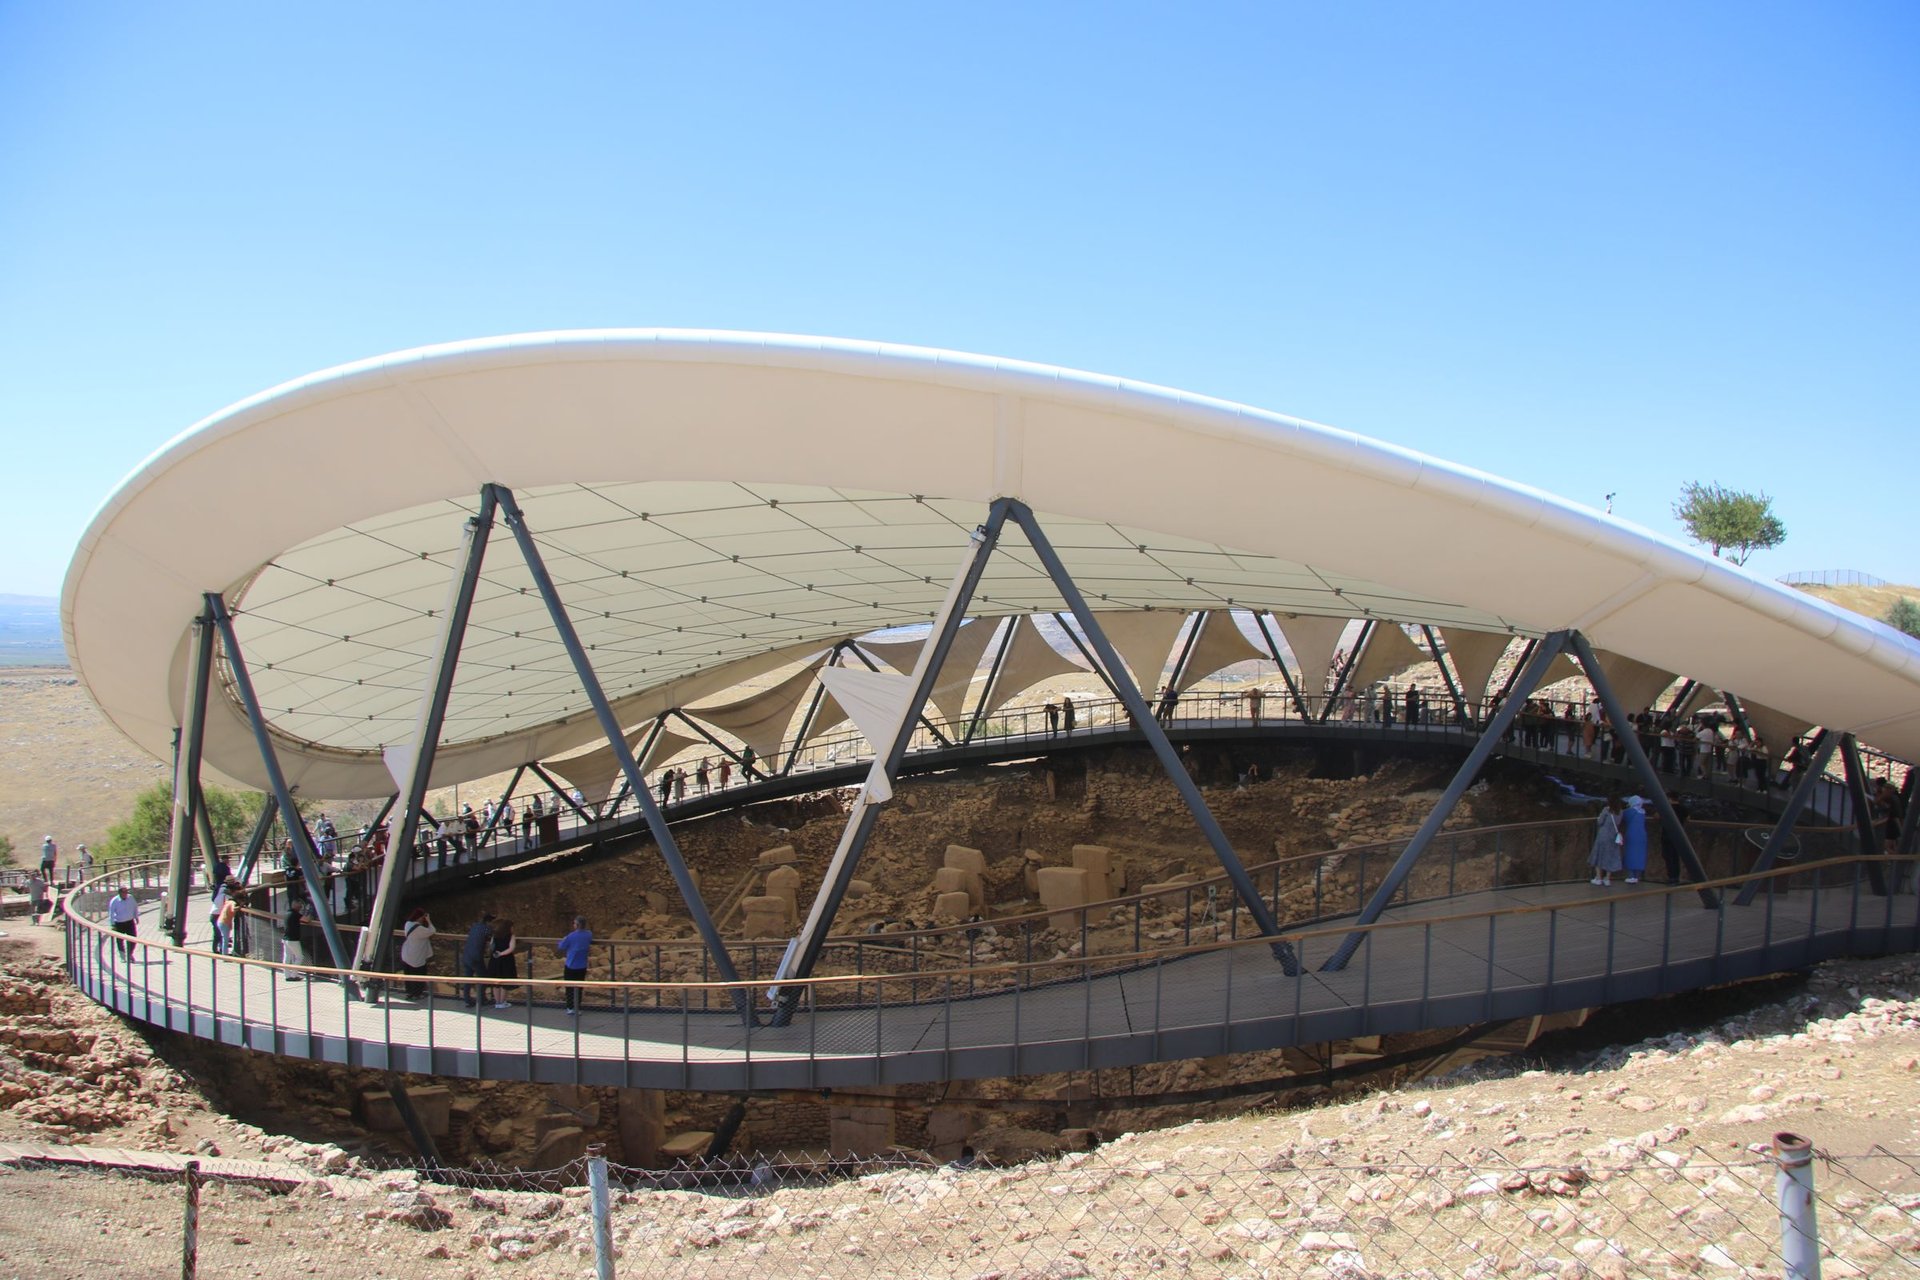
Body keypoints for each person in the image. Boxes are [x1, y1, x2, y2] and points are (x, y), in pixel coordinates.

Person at [555, 915, 593, 1014]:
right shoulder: (588, 934)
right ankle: (577, 1007)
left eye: (574, 923)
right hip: (582, 965)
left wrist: (563, 939)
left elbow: (561, 946)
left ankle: (570, 1007)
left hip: (571, 965)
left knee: (569, 987)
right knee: (579, 987)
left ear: (577, 925)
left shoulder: (571, 936)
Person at [457, 909, 495, 1006]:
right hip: (476, 956)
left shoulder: (475, 926)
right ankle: (482, 999)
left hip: (467, 955)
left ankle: (467, 999)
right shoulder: (487, 928)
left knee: (468, 978)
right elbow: (491, 940)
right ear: (489, 921)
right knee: (483, 977)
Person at [398, 908, 435, 999]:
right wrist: (429, 921)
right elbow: (432, 931)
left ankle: (409, 992)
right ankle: (417, 993)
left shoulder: (407, 924)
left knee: (408, 975)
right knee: (419, 975)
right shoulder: (420, 929)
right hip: (417, 956)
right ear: (419, 917)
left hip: (407, 953)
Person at [1589, 797, 1625, 887]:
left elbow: (1600, 822)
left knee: (1599, 855)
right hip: (1613, 837)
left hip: (1603, 836)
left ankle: (1598, 878)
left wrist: (1599, 818)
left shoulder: (1606, 810)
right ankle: (1607, 878)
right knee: (1610, 856)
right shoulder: (1620, 812)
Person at [488, 918, 518, 1009]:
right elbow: (511, 948)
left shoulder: (495, 935)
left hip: (495, 959)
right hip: (506, 960)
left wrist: (497, 953)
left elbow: (491, 946)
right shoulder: (511, 936)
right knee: (505, 982)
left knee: (495, 982)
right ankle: (502, 1001)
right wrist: (502, 953)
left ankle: (497, 1002)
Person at [1620, 796, 1650, 884]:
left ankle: (1631, 876)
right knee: (1640, 855)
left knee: (1630, 854)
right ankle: (1637, 876)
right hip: (1642, 835)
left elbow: (1621, 815)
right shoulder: (1642, 812)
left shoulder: (1629, 812)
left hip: (1632, 834)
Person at [281, 894, 311, 980]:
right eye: (300, 907)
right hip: (293, 939)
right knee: (299, 957)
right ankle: (294, 975)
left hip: (285, 938)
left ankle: (287, 975)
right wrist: (310, 912)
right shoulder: (295, 914)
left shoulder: (287, 913)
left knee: (287, 957)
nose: (300, 908)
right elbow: (307, 920)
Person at [107, 885, 139, 961]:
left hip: (129, 922)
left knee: (133, 939)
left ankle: (130, 954)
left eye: (126, 891)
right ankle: (122, 956)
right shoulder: (114, 901)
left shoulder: (131, 898)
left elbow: (135, 907)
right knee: (120, 940)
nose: (125, 893)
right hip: (119, 923)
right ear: (119, 893)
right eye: (123, 892)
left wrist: (136, 917)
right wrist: (112, 924)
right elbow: (111, 914)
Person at [214, 881, 239, 955]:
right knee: (225, 939)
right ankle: (225, 955)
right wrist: (240, 907)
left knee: (224, 938)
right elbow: (234, 909)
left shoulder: (228, 900)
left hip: (221, 921)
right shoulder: (232, 902)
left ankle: (224, 953)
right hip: (224, 922)